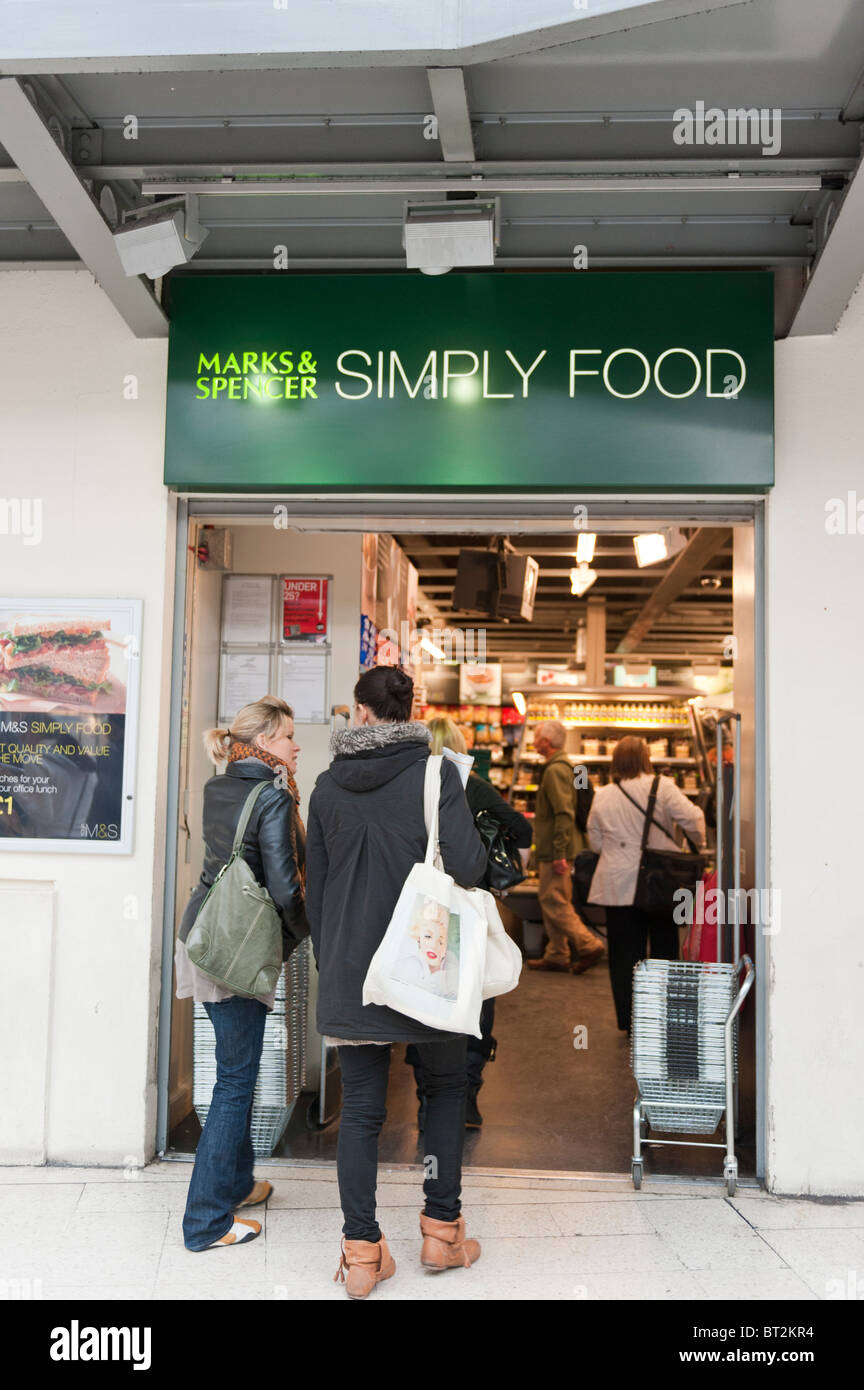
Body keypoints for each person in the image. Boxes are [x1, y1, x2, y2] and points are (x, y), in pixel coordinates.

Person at [305, 667, 488, 1300]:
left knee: (360, 1111)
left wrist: (338, 965)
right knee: (442, 1090)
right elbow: (468, 866)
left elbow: (318, 892)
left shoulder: (327, 785)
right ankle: (442, 1233)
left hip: (353, 971)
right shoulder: (436, 776)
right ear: (411, 711)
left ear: (360, 712)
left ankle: (361, 1254)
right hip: (426, 965)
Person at [175, 696, 308, 1252]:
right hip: (238, 950)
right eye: (288, 738)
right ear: (264, 744)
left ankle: (236, 1184)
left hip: (206, 936)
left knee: (239, 1072)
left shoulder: (219, 785)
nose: (297, 746)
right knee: (235, 1081)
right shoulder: (273, 799)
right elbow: (282, 886)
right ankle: (206, 1222)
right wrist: (311, 933)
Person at [407, 716, 532, 1131]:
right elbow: (523, 830)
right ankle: (465, 1099)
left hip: (421, 909)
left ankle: (428, 1098)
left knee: (422, 997)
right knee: (476, 999)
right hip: (469, 907)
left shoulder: (409, 785)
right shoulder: (472, 787)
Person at [587, 735, 707, 1034]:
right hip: (660, 882)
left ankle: (630, 1020)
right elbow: (694, 818)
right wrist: (692, 841)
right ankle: (662, 1018)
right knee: (664, 949)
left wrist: (618, 853)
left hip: (617, 884)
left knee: (623, 955)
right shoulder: (661, 786)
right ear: (646, 759)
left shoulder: (603, 794)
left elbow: (595, 840)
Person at [527, 719, 605, 974]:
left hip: (556, 849)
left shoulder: (554, 771)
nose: (534, 741)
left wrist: (559, 852)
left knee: (554, 900)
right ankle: (557, 953)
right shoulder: (561, 767)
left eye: (536, 737)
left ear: (546, 742)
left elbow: (563, 813)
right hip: (556, 847)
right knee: (551, 898)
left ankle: (588, 944)